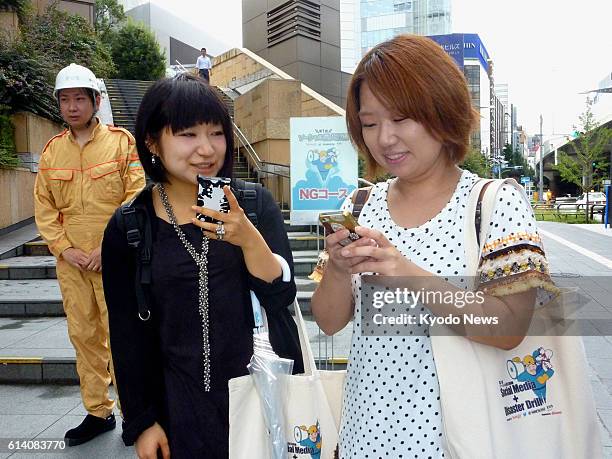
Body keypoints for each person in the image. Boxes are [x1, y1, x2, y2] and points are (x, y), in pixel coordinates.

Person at [310, 35, 557, 457]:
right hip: (363, 436)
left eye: (402, 118)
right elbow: (329, 322)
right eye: (370, 123)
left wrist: (403, 271)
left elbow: (510, 328)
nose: (385, 138)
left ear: (443, 111)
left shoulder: (493, 202)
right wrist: (337, 268)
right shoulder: (360, 204)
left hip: (455, 440)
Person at [101, 73, 302, 459]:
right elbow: (126, 334)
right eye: (188, 134)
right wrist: (142, 420)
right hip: (176, 406)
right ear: (151, 141)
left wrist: (248, 238)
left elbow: (282, 298)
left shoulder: (254, 205)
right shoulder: (130, 226)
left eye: (216, 133)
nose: (207, 149)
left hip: (261, 394)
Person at [34, 63, 146, 446]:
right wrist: (65, 250)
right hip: (72, 264)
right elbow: (45, 208)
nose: (72, 106)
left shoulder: (121, 143)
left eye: (80, 98)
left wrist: (107, 247)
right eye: (65, 100)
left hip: (113, 259)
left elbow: (136, 195)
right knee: (83, 335)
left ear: (95, 101)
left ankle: (134, 412)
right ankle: (98, 412)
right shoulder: (52, 152)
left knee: (122, 337)